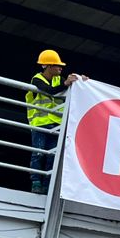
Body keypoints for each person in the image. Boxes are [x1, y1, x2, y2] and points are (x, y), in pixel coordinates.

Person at [24, 49, 84, 195]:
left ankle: (46, 185)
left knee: (52, 155)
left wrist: (81, 80)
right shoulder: (37, 79)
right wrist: (66, 83)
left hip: (56, 125)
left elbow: (69, 85)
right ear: (48, 66)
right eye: (57, 65)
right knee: (39, 153)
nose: (60, 68)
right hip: (40, 124)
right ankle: (36, 182)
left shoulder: (59, 80)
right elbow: (49, 90)